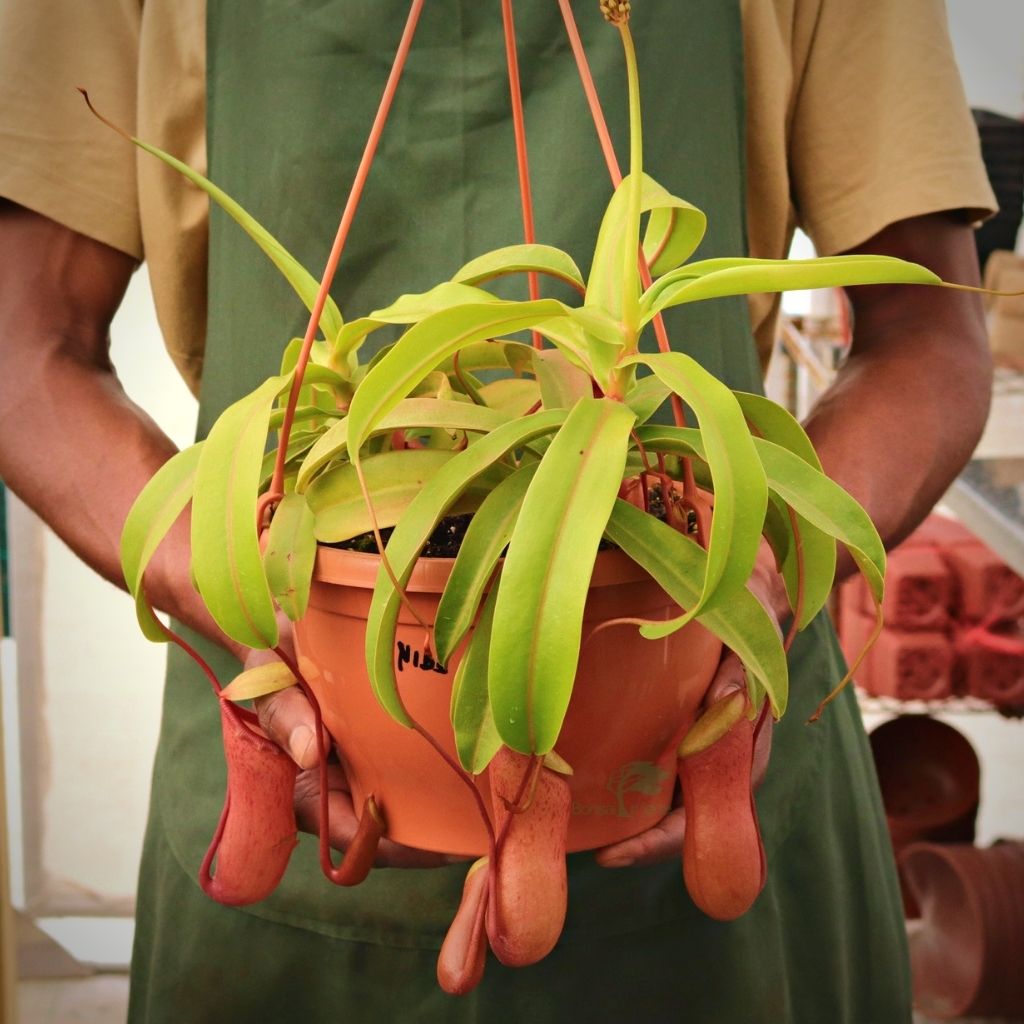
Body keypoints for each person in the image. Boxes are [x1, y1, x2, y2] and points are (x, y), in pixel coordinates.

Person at [0, 0, 996, 1019]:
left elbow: (930, 326)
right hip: (295, 718)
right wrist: (213, 573)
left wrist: (763, 574)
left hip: (699, 730)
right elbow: (22, 342)